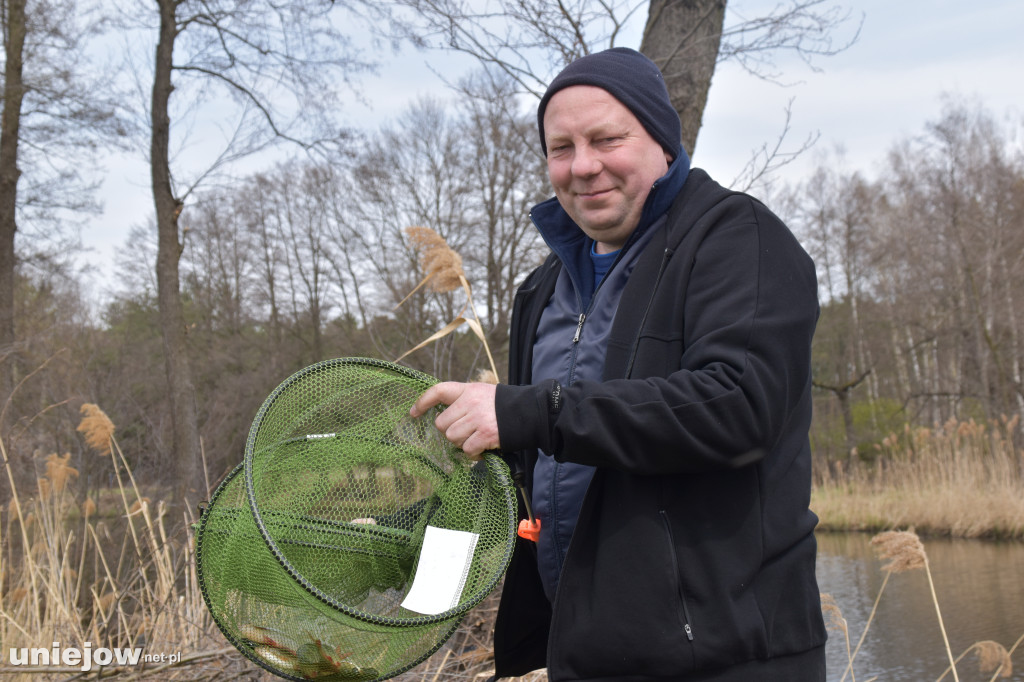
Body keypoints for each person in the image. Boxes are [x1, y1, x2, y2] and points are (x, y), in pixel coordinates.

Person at [411, 47, 826, 681]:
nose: (583, 166)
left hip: (728, 659)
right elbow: (541, 460)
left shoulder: (738, 237)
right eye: (561, 148)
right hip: (587, 656)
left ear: (662, 141)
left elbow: (737, 406)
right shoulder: (541, 288)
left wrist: (529, 412)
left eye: (607, 139)